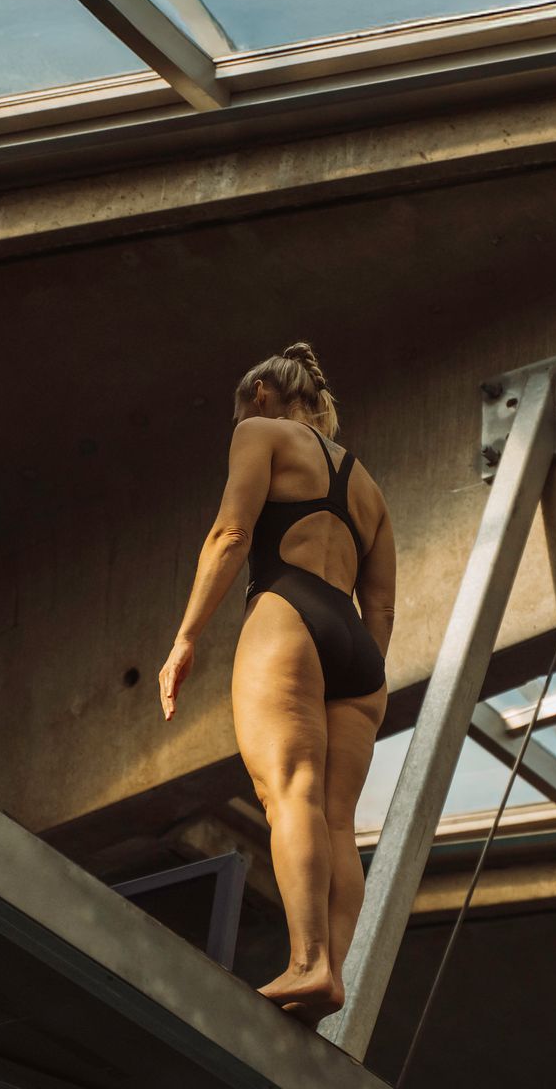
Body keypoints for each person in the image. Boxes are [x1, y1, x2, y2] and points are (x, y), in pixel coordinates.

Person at [158, 342, 395, 1023]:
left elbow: (231, 534)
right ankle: (330, 977)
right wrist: (360, 675)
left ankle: (307, 962)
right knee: (338, 820)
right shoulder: (369, 486)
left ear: (262, 391)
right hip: (356, 648)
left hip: (288, 612)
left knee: (289, 792)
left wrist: (186, 637)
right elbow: (380, 606)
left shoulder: (257, 432)